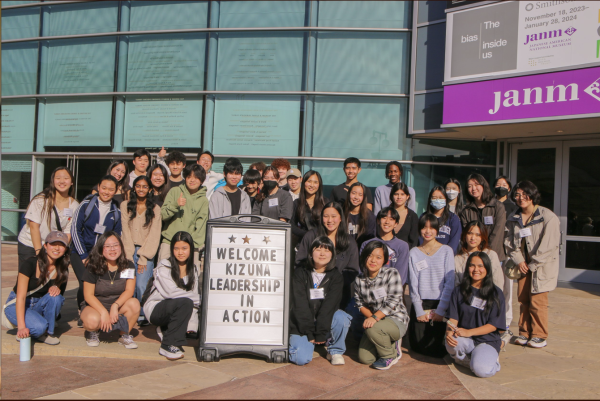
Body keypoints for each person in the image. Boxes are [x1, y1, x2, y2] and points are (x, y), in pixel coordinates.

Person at [505, 180, 560, 349]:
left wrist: (532, 264)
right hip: (522, 265)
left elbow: (549, 245)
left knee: (538, 301)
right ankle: (524, 332)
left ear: (532, 195)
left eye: (525, 194)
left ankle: (539, 335)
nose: (521, 198)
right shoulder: (513, 217)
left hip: (541, 267)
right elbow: (509, 242)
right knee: (523, 299)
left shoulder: (547, 216)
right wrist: (519, 260)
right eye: (517, 194)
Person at [289, 236, 350, 366]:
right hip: (303, 325)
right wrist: (310, 332)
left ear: (332, 254)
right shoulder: (301, 273)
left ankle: (335, 350)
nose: (322, 254)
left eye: (327, 250)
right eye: (318, 249)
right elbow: (300, 305)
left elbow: (329, 306)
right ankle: (309, 342)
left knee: (341, 317)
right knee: (300, 359)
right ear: (311, 252)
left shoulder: (336, 276)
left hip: (325, 324)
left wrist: (321, 333)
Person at [71, 175, 122, 324]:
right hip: (80, 251)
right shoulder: (86, 205)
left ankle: (92, 309)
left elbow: (116, 236)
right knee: (84, 281)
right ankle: (84, 309)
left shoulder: (116, 211)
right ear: (98, 187)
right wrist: (83, 254)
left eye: (111, 189)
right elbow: (75, 229)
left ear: (116, 190)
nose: (107, 192)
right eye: (104, 188)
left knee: (97, 284)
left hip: (100, 253)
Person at [445, 252, 505, 378]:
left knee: (481, 371)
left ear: (487, 269)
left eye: (480, 266)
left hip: (487, 340)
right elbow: (453, 319)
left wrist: (469, 332)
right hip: (465, 339)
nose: (476, 269)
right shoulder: (459, 291)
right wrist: (449, 332)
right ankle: (473, 358)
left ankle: (490, 360)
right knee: (451, 344)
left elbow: (494, 325)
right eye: (472, 266)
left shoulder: (496, 293)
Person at [5, 231, 70, 345]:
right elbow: (20, 297)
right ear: (45, 246)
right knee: (38, 327)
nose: (57, 248)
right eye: (53, 244)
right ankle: (36, 328)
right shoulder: (30, 263)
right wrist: (21, 327)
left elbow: (55, 299)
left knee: (56, 298)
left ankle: (47, 332)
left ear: (65, 249)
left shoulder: (62, 269)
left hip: (38, 304)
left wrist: (56, 288)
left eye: (61, 245)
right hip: (18, 304)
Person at [144, 231, 200, 360]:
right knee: (186, 302)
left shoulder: (194, 269)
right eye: (176, 248)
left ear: (191, 249)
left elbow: (194, 297)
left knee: (192, 304)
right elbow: (171, 293)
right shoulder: (164, 266)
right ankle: (168, 345)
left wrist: (192, 325)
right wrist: (203, 299)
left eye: (184, 248)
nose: (180, 252)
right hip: (155, 308)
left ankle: (166, 329)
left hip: (176, 308)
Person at [355, 241, 409, 370]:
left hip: (396, 319)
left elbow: (393, 300)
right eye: (370, 255)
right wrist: (373, 318)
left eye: (378, 257)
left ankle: (390, 355)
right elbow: (359, 303)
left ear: (384, 260)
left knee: (373, 329)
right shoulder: (359, 279)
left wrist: (374, 319)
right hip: (377, 321)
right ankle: (388, 341)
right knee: (365, 358)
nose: (373, 260)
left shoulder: (391, 273)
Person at [80, 232, 140, 349]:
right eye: (107, 246)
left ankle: (124, 335)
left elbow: (129, 290)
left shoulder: (128, 265)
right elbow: (88, 295)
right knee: (92, 321)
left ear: (121, 247)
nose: (112, 249)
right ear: (101, 249)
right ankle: (93, 332)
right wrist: (103, 312)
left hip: (117, 306)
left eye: (115, 245)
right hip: (96, 306)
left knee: (135, 304)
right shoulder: (93, 266)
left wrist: (115, 306)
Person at [296, 202, 360, 309]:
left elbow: (352, 271)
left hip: (339, 296)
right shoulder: (311, 236)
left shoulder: (350, 242)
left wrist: (333, 284)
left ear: (340, 218)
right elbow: (299, 263)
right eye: (326, 216)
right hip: (311, 293)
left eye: (334, 216)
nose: (330, 220)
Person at [408, 214, 455, 358]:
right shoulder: (414, 252)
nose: (427, 231)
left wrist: (441, 310)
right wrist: (419, 310)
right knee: (418, 346)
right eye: (424, 227)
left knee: (438, 348)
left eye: (431, 227)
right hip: (422, 304)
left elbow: (450, 282)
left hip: (440, 304)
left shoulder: (447, 250)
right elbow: (413, 284)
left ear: (437, 230)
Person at [121, 175, 161, 326]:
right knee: (128, 285)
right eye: (138, 186)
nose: (141, 189)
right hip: (128, 252)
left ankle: (143, 315)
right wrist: (128, 256)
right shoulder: (125, 205)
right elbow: (125, 231)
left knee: (142, 285)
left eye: (145, 186)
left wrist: (143, 257)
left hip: (146, 252)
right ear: (134, 188)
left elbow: (154, 234)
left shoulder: (155, 209)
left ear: (150, 189)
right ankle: (127, 312)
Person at [17, 166, 79, 266]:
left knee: (53, 278)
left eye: (66, 178)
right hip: (30, 244)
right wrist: (38, 252)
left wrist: (58, 249)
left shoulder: (75, 205)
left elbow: (68, 233)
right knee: (30, 277)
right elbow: (34, 227)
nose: (62, 181)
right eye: (58, 178)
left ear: (72, 182)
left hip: (53, 247)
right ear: (53, 181)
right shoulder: (40, 200)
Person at [160, 164, 209, 266]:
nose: (192, 180)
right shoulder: (175, 191)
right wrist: (175, 205)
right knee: (162, 273)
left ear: (202, 180)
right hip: (169, 241)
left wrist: (193, 245)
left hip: (190, 245)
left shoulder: (203, 200)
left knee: (190, 277)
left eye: (196, 178)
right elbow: (163, 215)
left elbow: (201, 225)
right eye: (189, 177)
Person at [460, 174, 506, 260]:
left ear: (483, 185)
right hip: (473, 256)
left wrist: (486, 253)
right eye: (470, 186)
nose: (473, 188)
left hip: (494, 255)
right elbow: (467, 234)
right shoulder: (466, 210)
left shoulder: (498, 207)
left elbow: (497, 233)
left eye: (476, 184)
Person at [360, 207, 409, 287]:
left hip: (392, 291)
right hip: (369, 289)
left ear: (396, 224)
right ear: (378, 221)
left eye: (391, 219)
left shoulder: (402, 246)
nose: (387, 222)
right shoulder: (367, 244)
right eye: (384, 218)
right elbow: (362, 270)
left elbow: (401, 274)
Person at [454, 221, 504, 289]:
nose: (473, 238)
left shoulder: (491, 255)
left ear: (483, 237)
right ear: (465, 235)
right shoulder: (457, 259)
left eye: (478, 235)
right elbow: (456, 284)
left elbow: (498, 281)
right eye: (469, 233)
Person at [420, 186, 462, 255]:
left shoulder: (453, 218)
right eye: (434, 198)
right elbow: (420, 238)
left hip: (446, 257)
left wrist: (445, 255)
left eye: (440, 198)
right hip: (426, 255)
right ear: (430, 199)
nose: (437, 200)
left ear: (446, 199)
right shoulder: (423, 217)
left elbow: (454, 241)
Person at [291, 170, 327, 240]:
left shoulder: (325, 202)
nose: (312, 185)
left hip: (321, 242)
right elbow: (292, 225)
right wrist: (307, 234)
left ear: (319, 185)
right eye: (309, 181)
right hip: (304, 241)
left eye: (315, 182)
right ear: (304, 183)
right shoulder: (297, 203)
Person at [343, 182, 376, 248]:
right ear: (349, 193)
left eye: (360, 194)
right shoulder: (341, 213)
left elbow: (371, 240)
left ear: (364, 197)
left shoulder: (370, 216)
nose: (356, 197)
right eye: (353, 193)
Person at [390, 182, 419, 249]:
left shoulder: (412, 216)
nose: (399, 197)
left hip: (406, 254)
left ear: (407, 196)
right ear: (392, 196)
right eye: (396, 194)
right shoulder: (385, 214)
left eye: (402, 194)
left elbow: (414, 241)